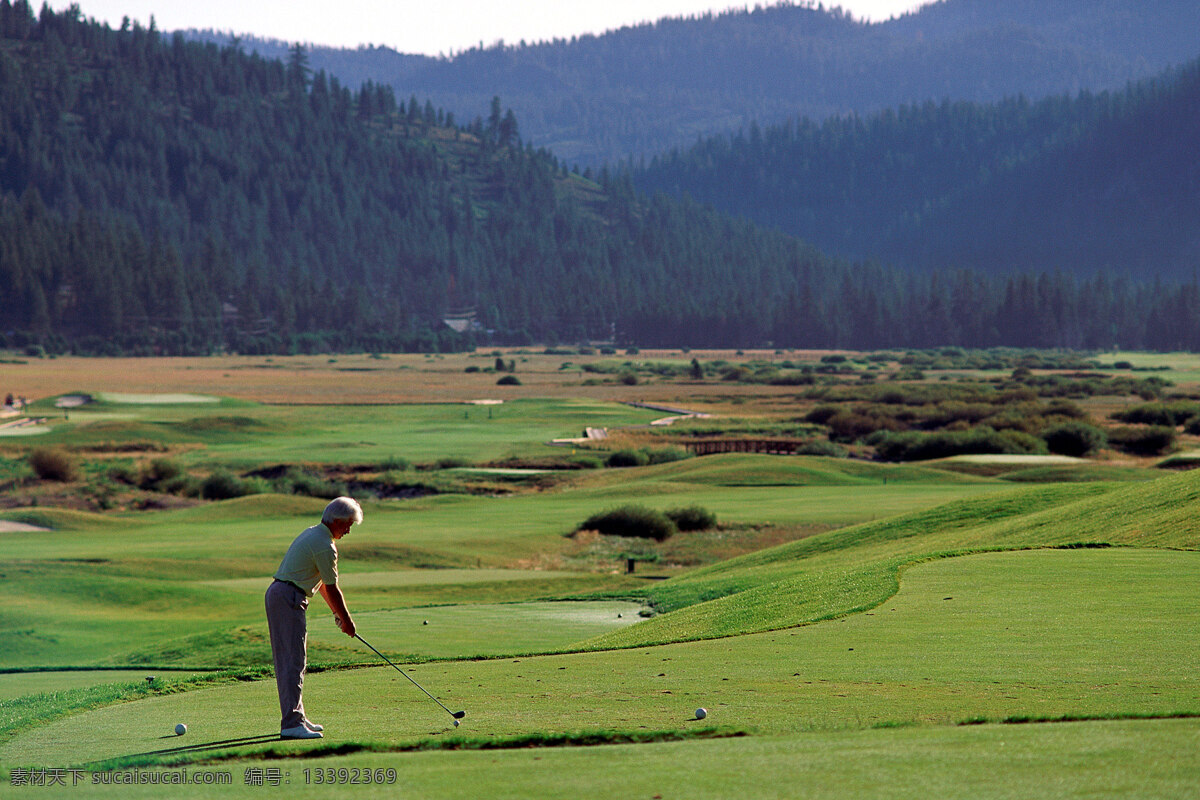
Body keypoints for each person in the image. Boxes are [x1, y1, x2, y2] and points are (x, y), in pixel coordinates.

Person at [265, 496, 361, 739]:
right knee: (292, 661)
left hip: (285, 596)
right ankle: (291, 724)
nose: (348, 530)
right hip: (288, 598)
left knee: (295, 660)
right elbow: (333, 588)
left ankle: (297, 717)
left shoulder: (314, 534)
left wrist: (337, 615)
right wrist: (347, 621)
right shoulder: (324, 545)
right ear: (337, 520)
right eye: (348, 524)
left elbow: (323, 587)